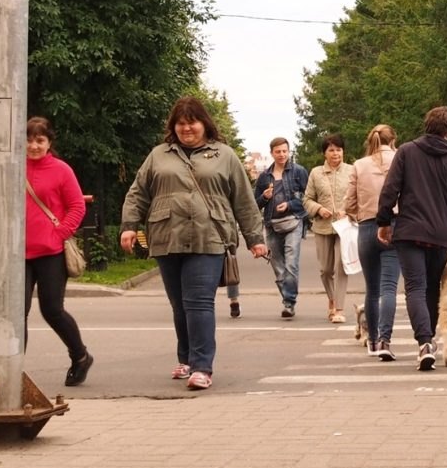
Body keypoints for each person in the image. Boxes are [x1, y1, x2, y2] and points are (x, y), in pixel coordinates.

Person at [119, 96, 268, 390]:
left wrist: (255, 238)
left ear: (205, 124)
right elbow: (138, 192)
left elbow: (243, 199)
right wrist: (128, 226)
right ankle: (185, 358)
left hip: (209, 235)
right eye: (181, 124)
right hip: (166, 236)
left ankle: (202, 366)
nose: (187, 129)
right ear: (173, 127)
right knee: (179, 304)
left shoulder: (224, 155)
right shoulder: (158, 155)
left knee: (198, 301)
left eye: (192, 123)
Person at [377, 106, 447, 371]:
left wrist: (384, 222)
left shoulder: (407, 152)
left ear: (426, 125)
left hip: (409, 232)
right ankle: (427, 341)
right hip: (442, 234)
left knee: (415, 288)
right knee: (432, 287)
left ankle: (425, 343)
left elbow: (390, 189)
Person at [24, 116, 92, 386]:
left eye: (39, 140)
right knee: (17, 312)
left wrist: (59, 234)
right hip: (19, 254)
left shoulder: (61, 170)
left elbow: (77, 206)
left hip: (51, 252)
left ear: (49, 142)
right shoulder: (14, 167)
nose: (33, 146)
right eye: (28, 140)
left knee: (52, 310)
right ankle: (13, 372)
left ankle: (80, 356)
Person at [346, 123, 401, 361]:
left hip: (367, 227)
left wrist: (357, 213)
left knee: (372, 289)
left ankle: (370, 340)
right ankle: (384, 340)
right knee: (389, 287)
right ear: (394, 140)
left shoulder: (359, 164)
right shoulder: (402, 159)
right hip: (394, 226)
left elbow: (348, 203)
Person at [254, 137, 309, 319]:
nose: (282, 154)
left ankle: (289, 303)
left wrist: (290, 205)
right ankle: (287, 298)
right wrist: (265, 196)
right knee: (278, 268)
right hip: (272, 225)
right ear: (272, 153)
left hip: (293, 221)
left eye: (284, 151)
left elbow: (308, 198)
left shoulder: (298, 172)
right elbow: (256, 204)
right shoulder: (264, 177)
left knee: (291, 263)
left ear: (289, 151)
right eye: (278, 151)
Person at [304, 133, 355, 324]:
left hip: (345, 227)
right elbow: (307, 199)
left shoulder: (352, 170)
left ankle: (339, 309)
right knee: (325, 269)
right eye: (331, 150)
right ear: (324, 153)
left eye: (339, 150)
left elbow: (358, 196)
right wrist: (318, 209)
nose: (335, 154)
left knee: (341, 265)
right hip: (323, 227)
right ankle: (332, 299)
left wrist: (348, 211)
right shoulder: (316, 173)